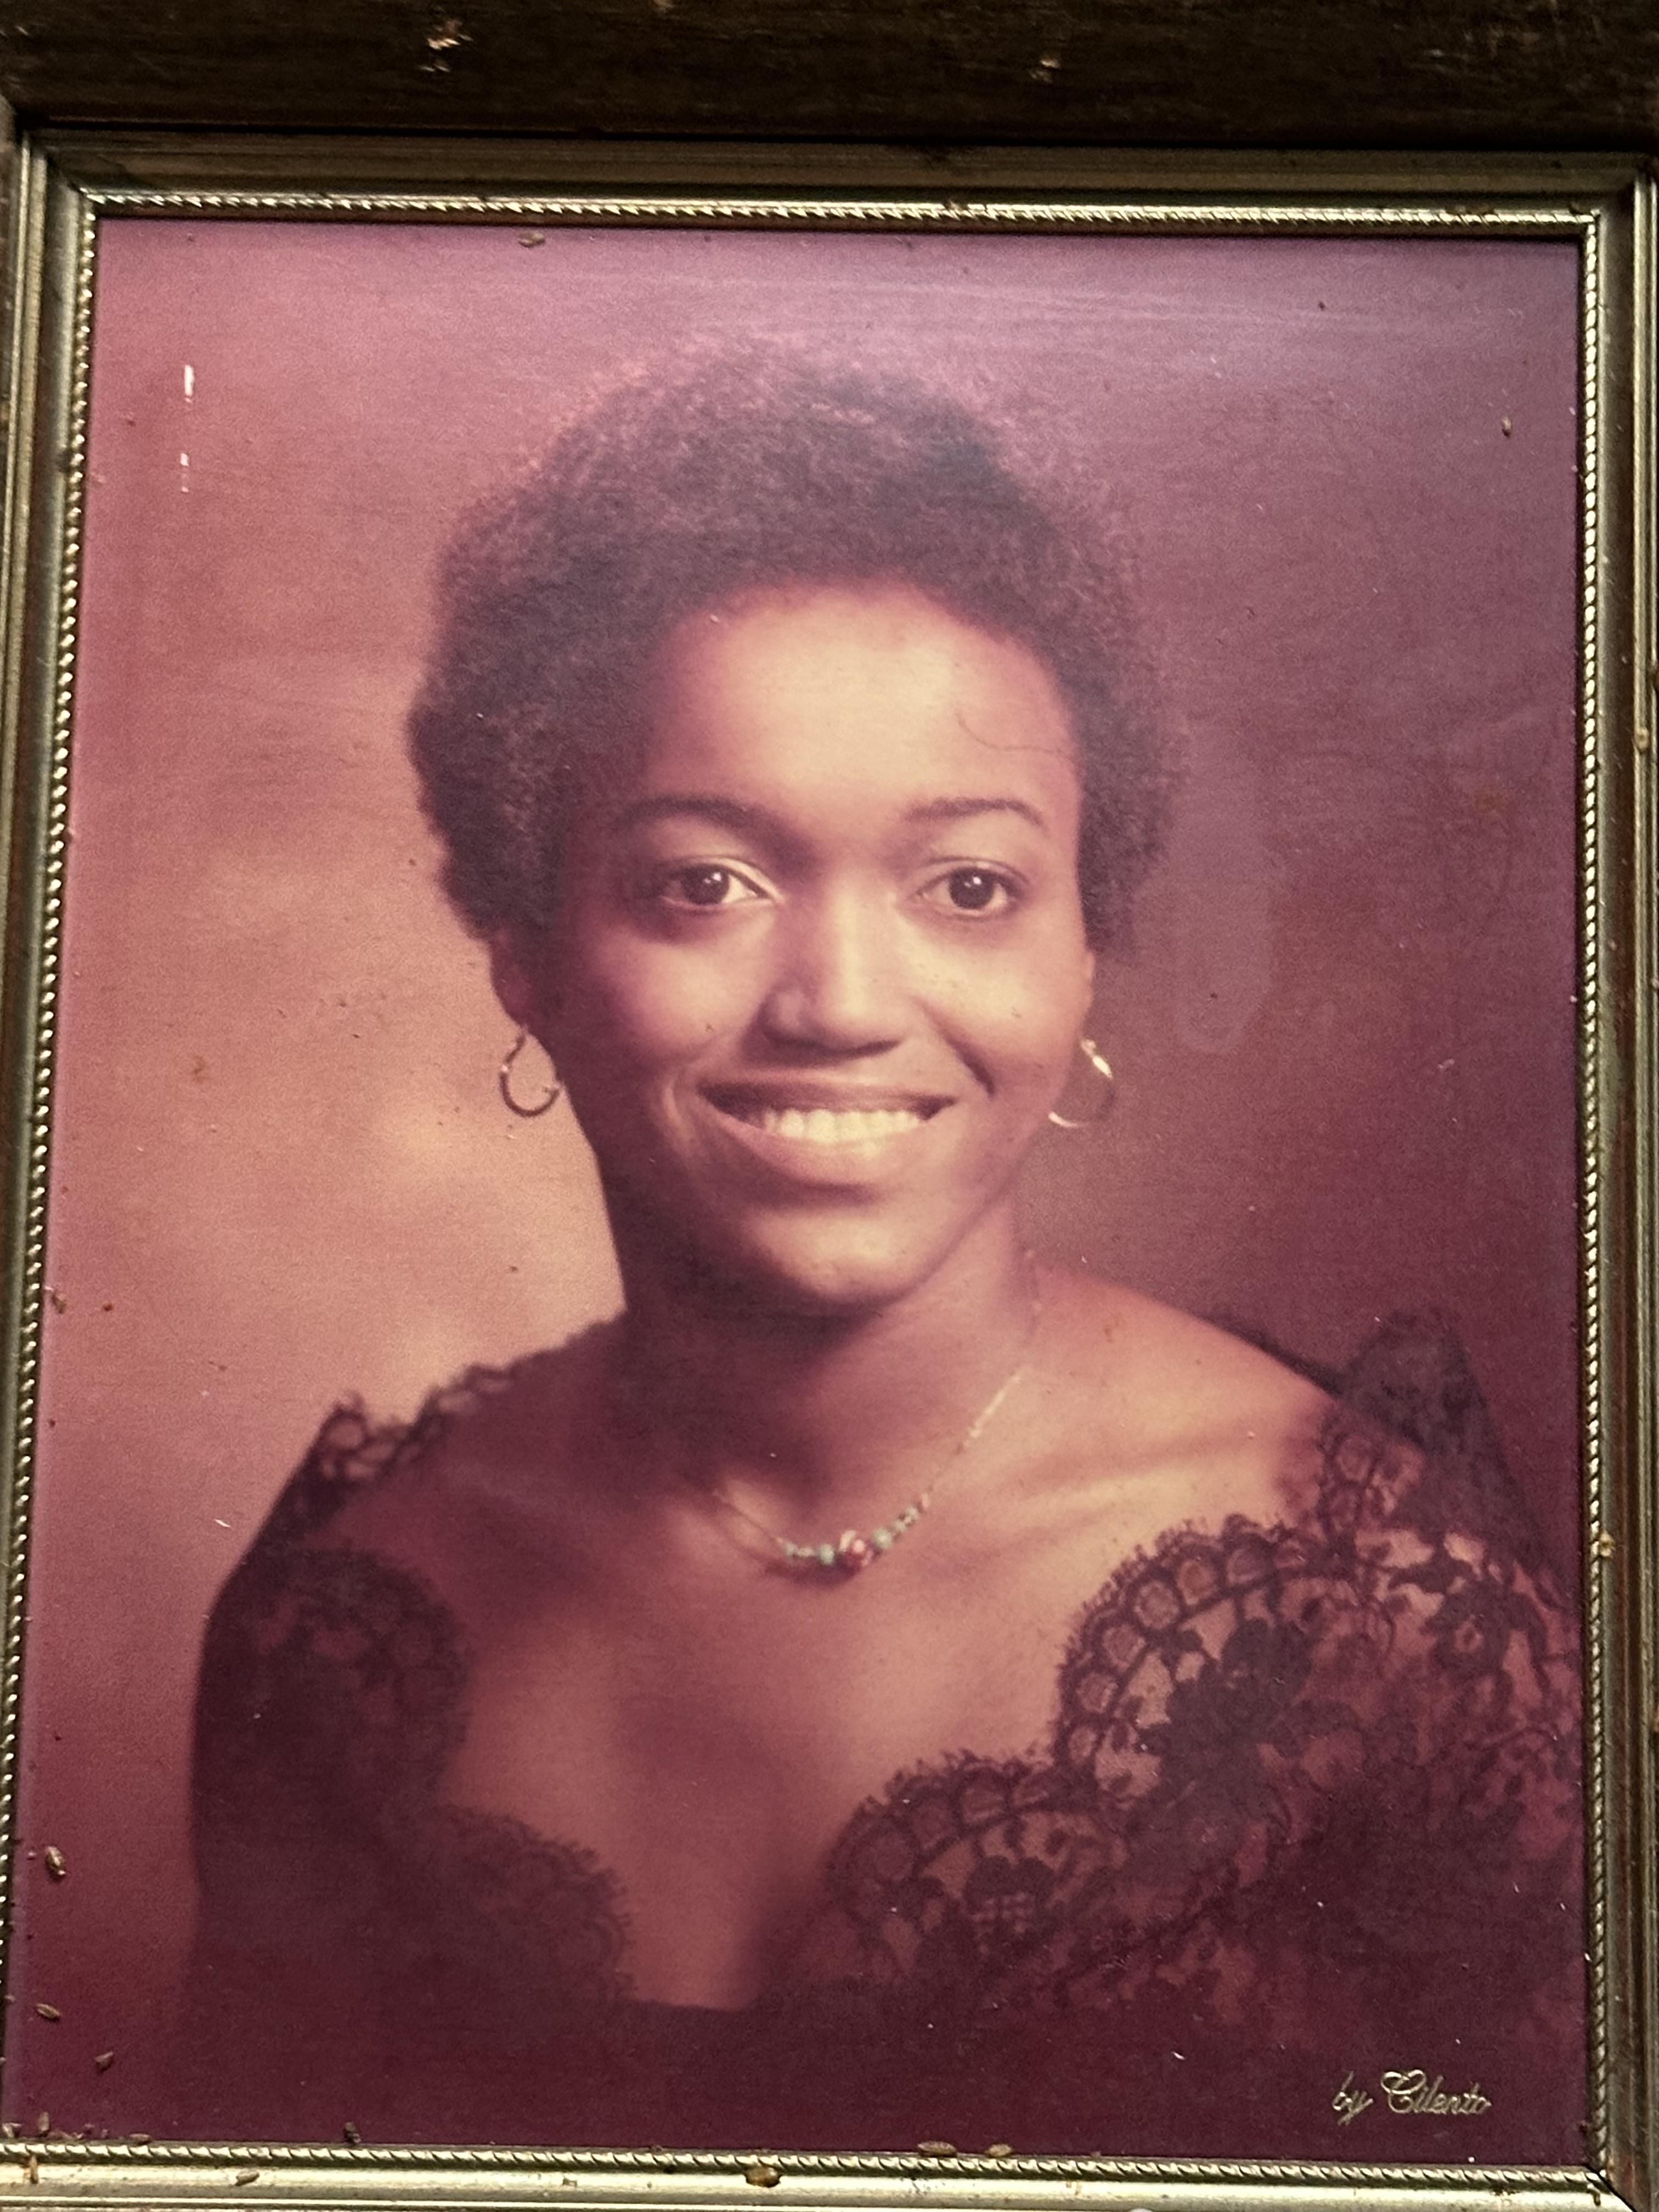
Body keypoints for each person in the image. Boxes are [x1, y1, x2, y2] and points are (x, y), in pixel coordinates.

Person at [180, 350, 1582, 2160]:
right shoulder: (346, 1621)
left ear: (1085, 950)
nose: (842, 1004)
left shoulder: (1384, 1608)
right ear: (526, 945)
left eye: (969, 887)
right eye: (706, 882)